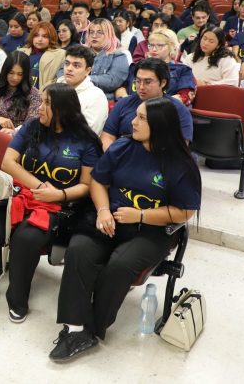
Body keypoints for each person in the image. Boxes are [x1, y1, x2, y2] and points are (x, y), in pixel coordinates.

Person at [50, 97, 201, 362]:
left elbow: (184, 212)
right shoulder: (123, 146)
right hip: (110, 217)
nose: (133, 122)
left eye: (141, 118)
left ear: (159, 125)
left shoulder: (181, 163)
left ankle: (91, 330)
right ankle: (73, 328)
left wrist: (140, 215)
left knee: (120, 265)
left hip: (152, 229)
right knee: (79, 250)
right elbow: (98, 181)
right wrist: (103, 211)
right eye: (135, 115)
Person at [0, 83, 102, 322]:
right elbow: (8, 163)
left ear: (64, 109)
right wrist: (39, 187)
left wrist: (59, 195)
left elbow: (87, 185)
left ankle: (17, 299)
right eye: (41, 101)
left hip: (56, 205)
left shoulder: (86, 141)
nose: (40, 107)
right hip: (21, 195)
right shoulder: (32, 127)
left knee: (26, 240)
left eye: (47, 103)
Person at [100, 58, 193, 151]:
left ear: (163, 82)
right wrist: (113, 156)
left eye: (147, 82)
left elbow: (180, 148)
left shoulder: (178, 109)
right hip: (121, 155)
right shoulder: (123, 103)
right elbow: (107, 136)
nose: (141, 87)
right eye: (138, 81)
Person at [122, 28, 196, 105]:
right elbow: (121, 88)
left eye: (160, 45)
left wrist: (157, 105)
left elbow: (185, 96)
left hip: (164, 108)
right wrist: (127, 101)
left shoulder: (183, 70)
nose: (154, 49)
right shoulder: (136, 67)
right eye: (151, 45)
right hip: (131, 106)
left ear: (172, 47)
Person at [0, 51, 41, 136]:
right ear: (5, 71)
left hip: (15, 138)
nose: (15, 78)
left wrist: (14, 132)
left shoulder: (34, 94)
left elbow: (30, 126)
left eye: (20, 74)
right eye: (11, 73)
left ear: (25, 75)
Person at [57, 44, 108, 135]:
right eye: (67, 63)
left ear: (88, 71)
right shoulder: (55, 88)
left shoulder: (96, 97)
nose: (69, 68)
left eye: (76, 65)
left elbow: (87, 133)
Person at [85, 18, 129, 100]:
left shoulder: (119, 55)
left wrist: (84, 79)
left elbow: (113, 80)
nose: (94, 36)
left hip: (102, 99)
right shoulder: (81, 52)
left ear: (109, 34)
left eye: (99, 32)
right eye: (91, 32)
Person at [18, 21, 66, 90]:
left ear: (51, 38)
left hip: (45, 93)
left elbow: (60, 79)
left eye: (44, 36)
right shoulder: (21, 52)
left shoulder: (61, 54)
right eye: (36, 35)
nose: (40, 39)